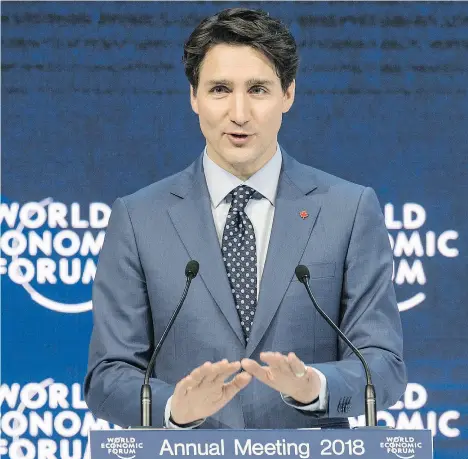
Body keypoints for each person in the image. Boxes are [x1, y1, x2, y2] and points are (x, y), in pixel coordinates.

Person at [84, 7, 406, 429]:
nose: (239, 113)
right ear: (193, 97)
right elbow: (107, 376)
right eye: (219, 89)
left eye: (258, 89)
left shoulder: (348, 210)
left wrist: (317, 387)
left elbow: (384, 366)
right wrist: (174, 408)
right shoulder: (139, 218)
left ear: (288, 94)